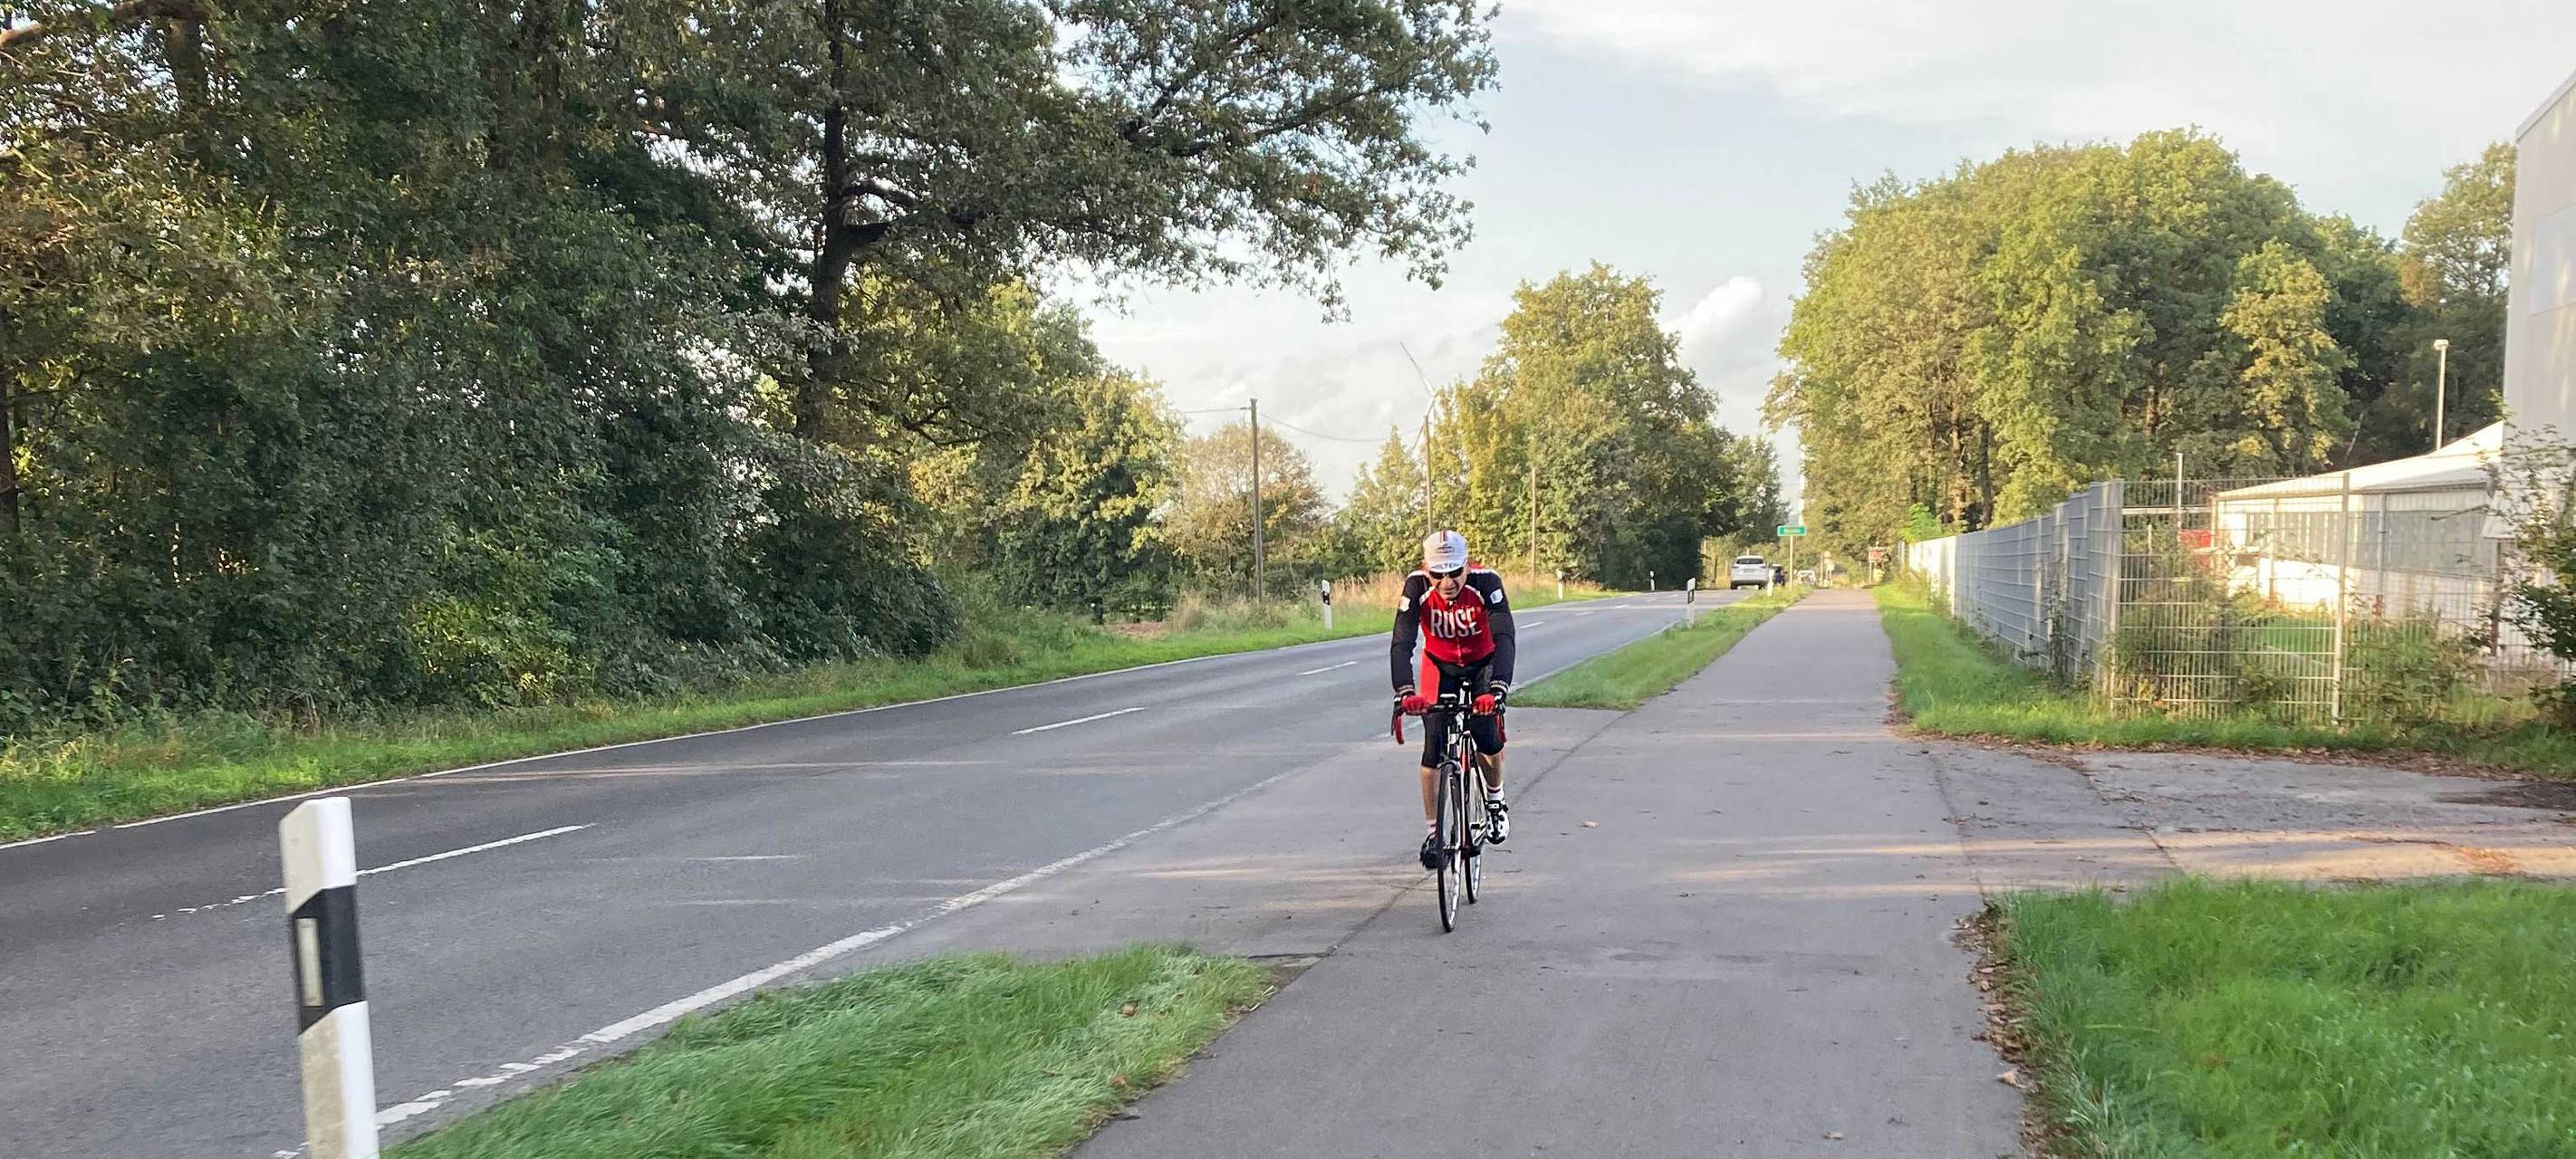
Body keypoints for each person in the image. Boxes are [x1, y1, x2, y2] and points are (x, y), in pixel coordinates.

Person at [1392, 529, 1514, 869]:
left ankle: (1494, 799)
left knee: (1485, 734)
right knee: (1433, 742)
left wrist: (1498, 688)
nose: (1447, 582)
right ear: (1425, 568)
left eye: (1455, 572)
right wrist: (1404, 692)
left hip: (1483, 663)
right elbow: (1402, 643)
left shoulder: (1486, 582)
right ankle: (1435, 832)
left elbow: (1505, 636)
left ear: (1467, 566)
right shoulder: (1415, 586)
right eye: (1438, 574)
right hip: (1440, 664)